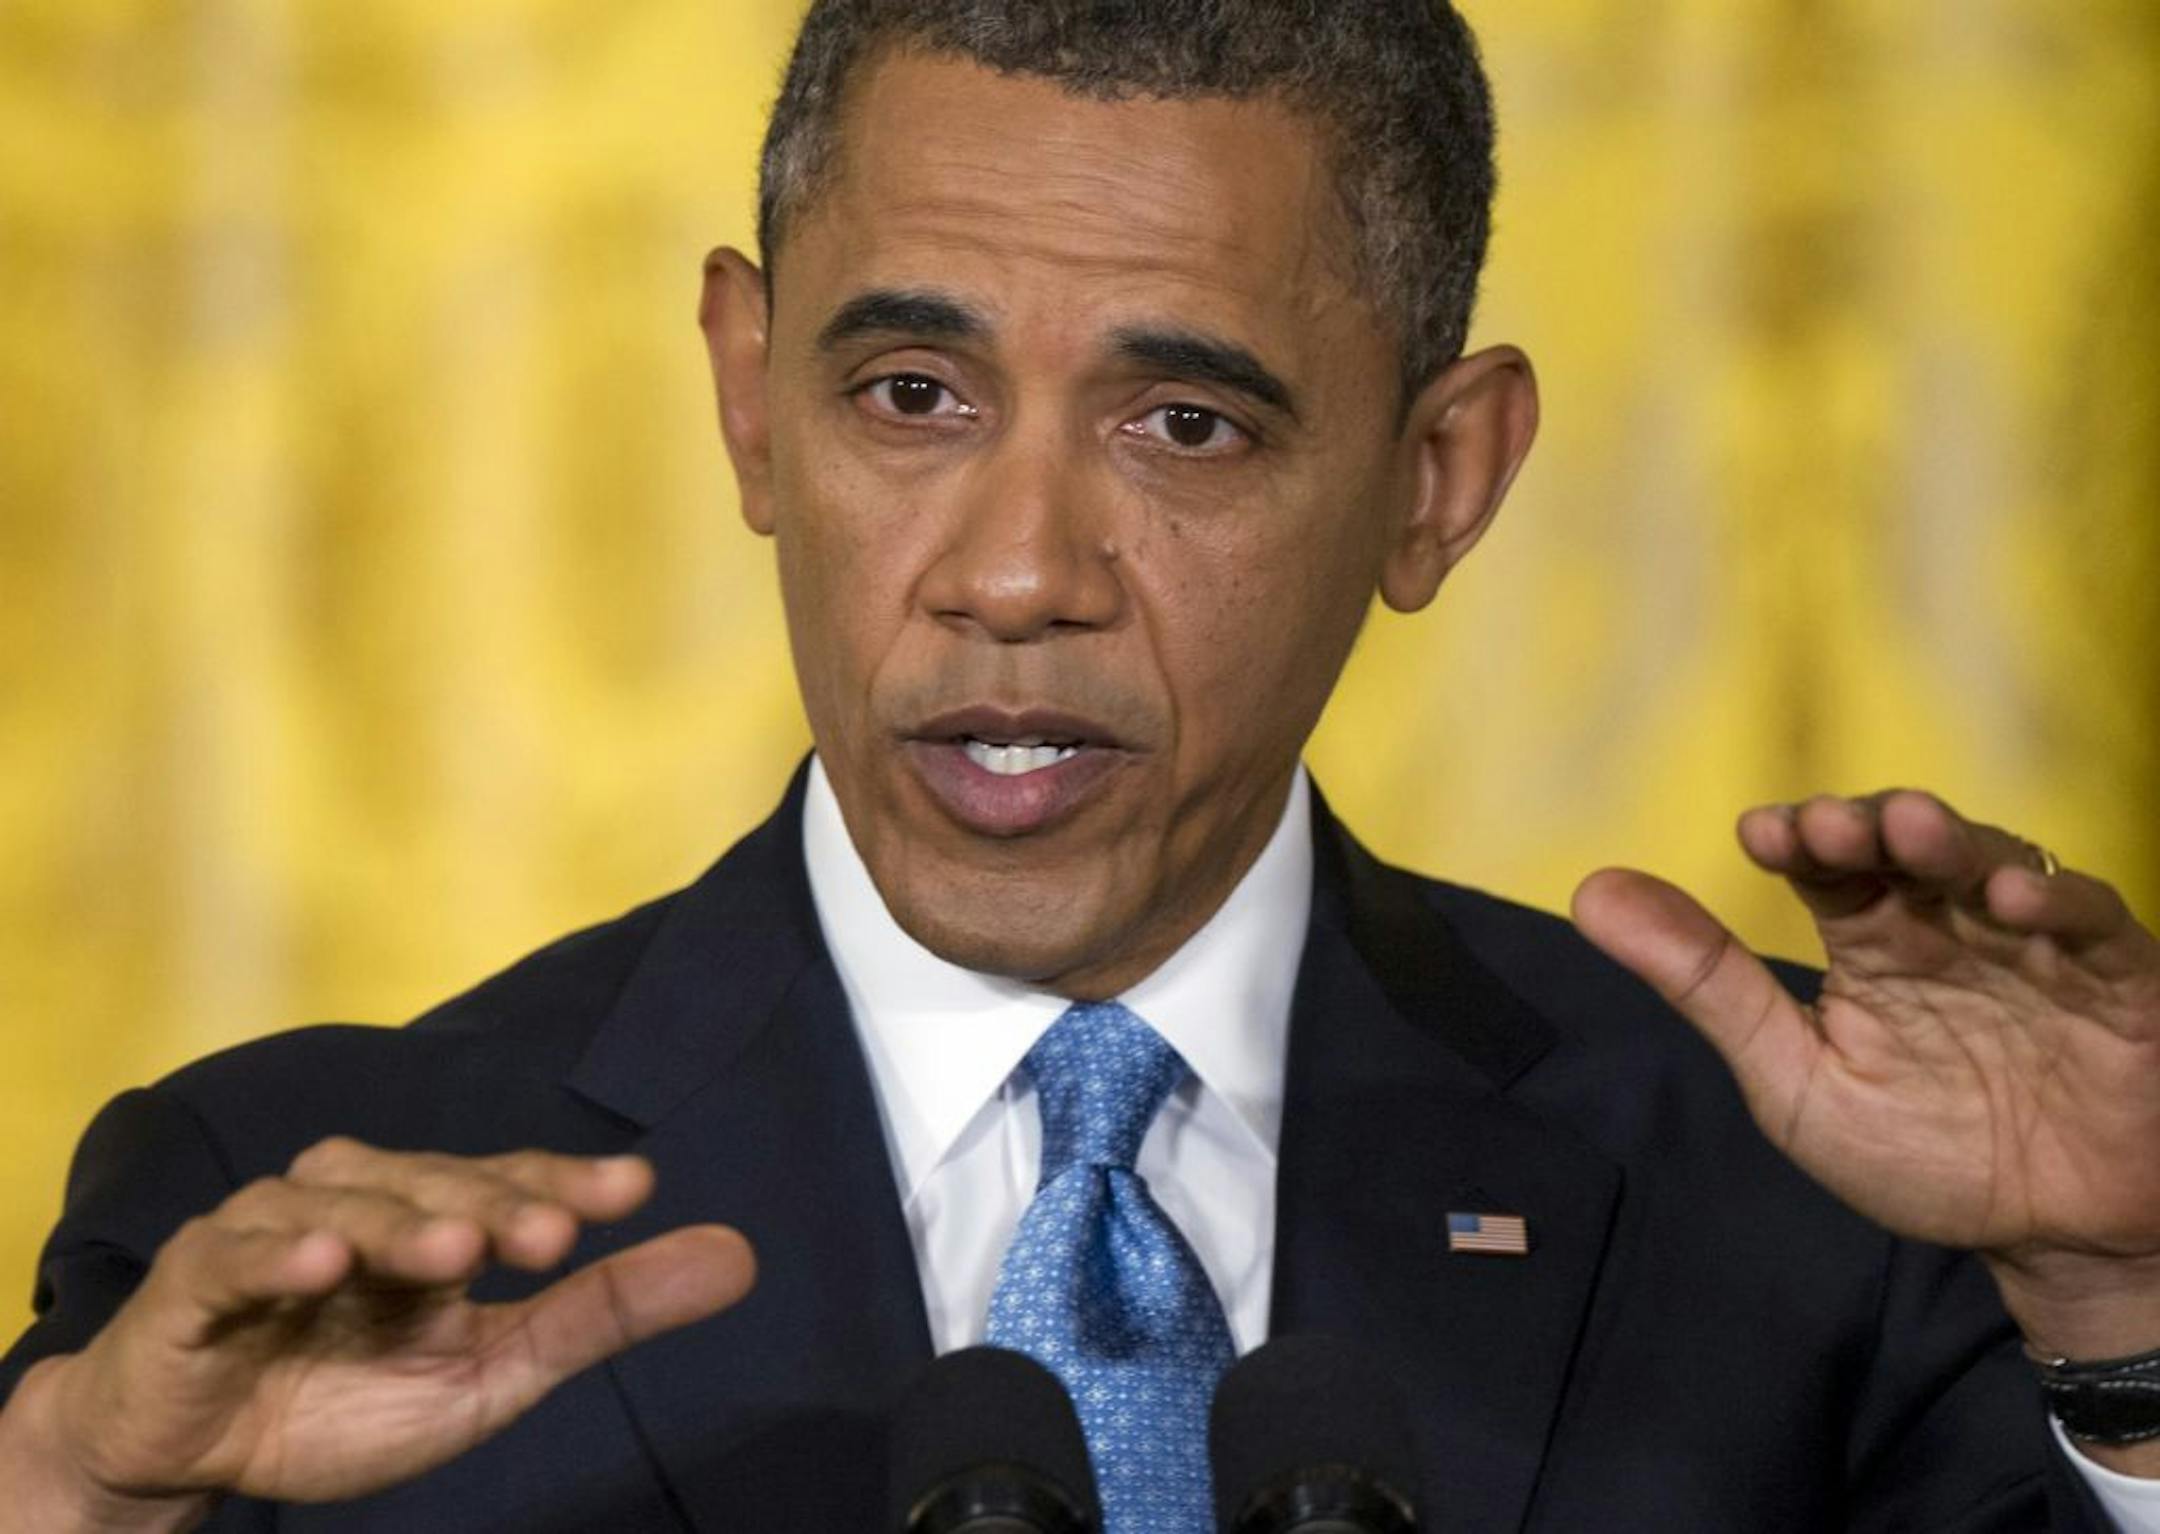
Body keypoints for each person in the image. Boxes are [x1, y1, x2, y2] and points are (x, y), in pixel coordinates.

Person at [5, 2, 2160, 1529]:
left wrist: (2127, 1309)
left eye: (1183, 426)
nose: (1018, 571)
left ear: (1439, 478)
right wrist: (83, 1499)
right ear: (753, 401)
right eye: (915, 392)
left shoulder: (1813, 1204)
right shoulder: (289, 1212)